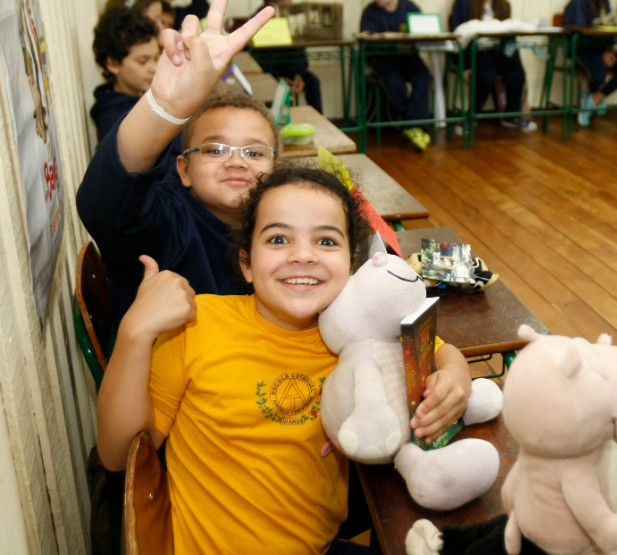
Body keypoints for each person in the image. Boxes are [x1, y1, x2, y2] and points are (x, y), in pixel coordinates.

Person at [96, 164, 474, 552]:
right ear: (246, 263)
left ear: (353, 264)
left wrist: (456, 380)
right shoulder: (198, 325)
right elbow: (118, 454)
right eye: (278, 239)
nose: (303, 256)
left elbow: (439, 352)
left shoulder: (362, 332)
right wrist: (134, 332)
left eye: (326, 242)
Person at [77, 1, 278, 329]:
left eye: (255, 153)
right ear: (183, 169)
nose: (237, 161)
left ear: (276, 168)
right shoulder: (165, 224)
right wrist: (166, 106)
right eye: (215, 150)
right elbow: (104, 204)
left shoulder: (278, 224)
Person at [449, 0, 538, 132]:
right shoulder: (463, 3)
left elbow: (509, 32)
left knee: (517, 74)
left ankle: (511, 115)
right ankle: (472, 117)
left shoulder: (504, 4)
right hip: (477, 50)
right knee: (486, 75)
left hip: (500, 48)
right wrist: (464, 66)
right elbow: (457, 36)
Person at [360, 0, 432, 152]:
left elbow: (421, 33)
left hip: (407, 56)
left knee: (423, 75)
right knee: (393, 79)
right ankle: (414, 124)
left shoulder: (411, 8)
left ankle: (414, 126)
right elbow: (367, 40)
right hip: (382, 58)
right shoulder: (370, 11)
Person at [562, 0, 617, 127]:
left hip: (603, 51)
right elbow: (581, 35)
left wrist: (609, 50)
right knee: (599, 73)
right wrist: (602, 53)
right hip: (582, 51)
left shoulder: (604, 3)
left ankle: (595, 98)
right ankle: (589, 100)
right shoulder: (578, 4)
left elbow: (609, 29)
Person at [90, 7, 160, 142]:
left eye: (156, 58)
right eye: (143, 61)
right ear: (113, 64)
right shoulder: (115, 119)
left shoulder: (137, 99)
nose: (154, 69)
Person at [249, 0, 323, 113]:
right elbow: (256, 58)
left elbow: (300, 49)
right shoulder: (257, 19)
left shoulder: (293, 18)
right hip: (268, 72)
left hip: (292, 70)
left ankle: (318, 119)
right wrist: (276, 77)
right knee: (266, 86)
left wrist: (299, 74)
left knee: (313, 81)